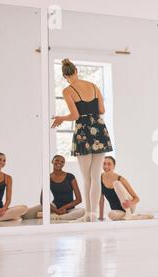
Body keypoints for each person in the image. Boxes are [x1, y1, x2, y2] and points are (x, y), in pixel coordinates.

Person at [51, 58, 113, 218]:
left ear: (65, 76)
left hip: (83, 131)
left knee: (87, 178)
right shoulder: (93, 86)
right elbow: (102, 109)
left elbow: (75, 115)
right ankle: (91, 213)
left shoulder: (68, 90)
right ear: (76, 71)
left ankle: (89, 213)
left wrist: (60, 118)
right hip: (99, 129)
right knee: (95, 177)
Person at [24, 155, 85, 221]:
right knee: (27, 214)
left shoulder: (70, 176)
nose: (59, 163)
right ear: (52, 161)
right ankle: (55, 215)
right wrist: (56, 210)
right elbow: (43, 200)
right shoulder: (47, 178)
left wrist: (63, 208)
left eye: (62, 162)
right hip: (54, 207)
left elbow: (79, 199)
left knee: (81, 211)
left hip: (69, 209)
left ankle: (57, 217)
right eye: (57, 160)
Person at [100, 156, 153, 221]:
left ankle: (128, 213)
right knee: (110, 214)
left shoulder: (120, 179)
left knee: (116, 183)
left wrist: (130, 203)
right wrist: (101, 216)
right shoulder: (99, 178)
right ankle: (137, 217)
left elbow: (137, 198)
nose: (106, 166)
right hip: (118, 211)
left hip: (129, 206)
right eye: (104, 164)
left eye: (109, 164)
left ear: (114, 166)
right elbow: (101, 200)